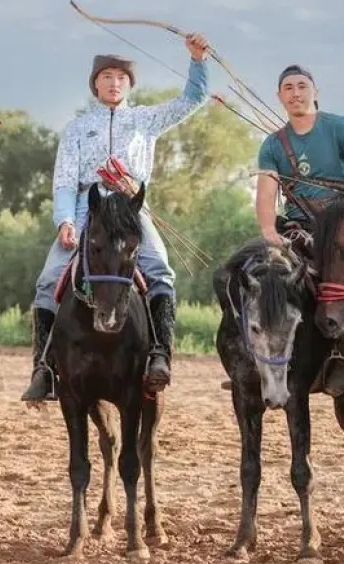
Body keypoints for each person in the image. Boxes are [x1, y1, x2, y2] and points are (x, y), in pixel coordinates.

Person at [21, 36, 211, 402]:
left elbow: (192, 100)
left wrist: (198, 61)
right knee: (48, 280)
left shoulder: (146, 120)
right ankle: (43, 368)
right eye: (107, 76)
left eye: (121, 77)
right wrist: (65, 222)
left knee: (160, 270)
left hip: (129, 206)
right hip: (86, 205)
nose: (114, 82)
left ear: (129, 84)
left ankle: (159, 354)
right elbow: (63, 181)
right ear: (95, 83)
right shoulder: (76, 128)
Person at [255, 64, 344, 253]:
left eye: (302, 86)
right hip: (297, 230)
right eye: (288, 88)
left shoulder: (339, 127)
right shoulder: (271, 144)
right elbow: (266, 195)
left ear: (315, 92)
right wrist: (268, 230)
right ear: (280, 97)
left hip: (340, 223)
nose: (296, 93)